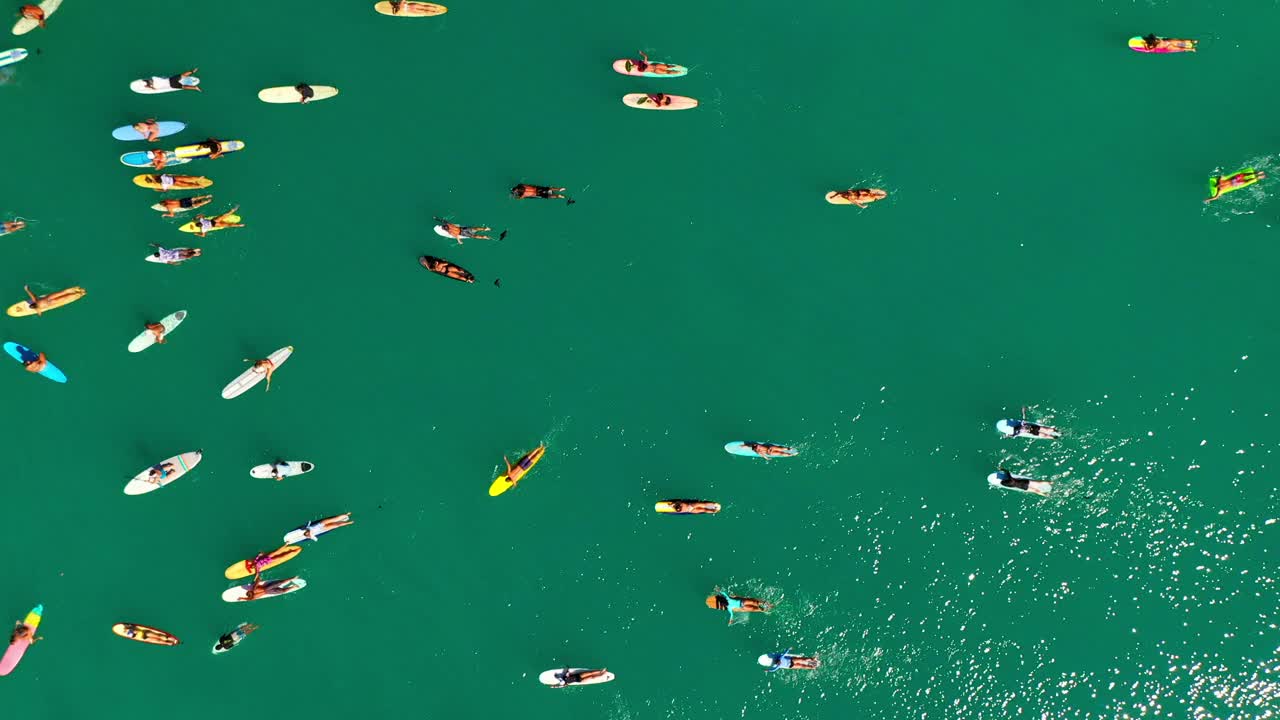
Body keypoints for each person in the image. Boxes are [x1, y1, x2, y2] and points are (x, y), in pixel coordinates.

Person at [706, 588, 773, 624]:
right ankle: (764, 610)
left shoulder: (728, 599)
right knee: (753, 608)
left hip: (742, 602)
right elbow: (731, 615)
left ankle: (766, 604)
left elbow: (724, 593)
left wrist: (719, 590)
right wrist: (730, 620)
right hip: (742, 607)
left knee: (753, 602)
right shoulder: (729, 608)